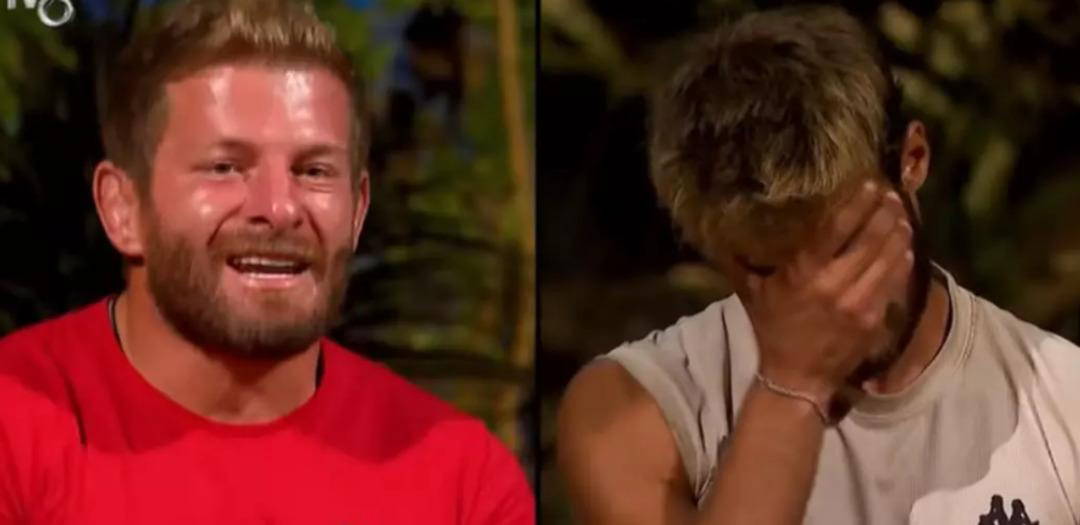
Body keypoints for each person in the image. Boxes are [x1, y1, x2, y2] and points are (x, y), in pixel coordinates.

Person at [0, 0, 534, 523]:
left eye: (314, 171)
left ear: (357, 210)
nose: (279, 210)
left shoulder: (461, 482)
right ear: (124, 209)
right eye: (225, 167)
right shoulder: (16, 424)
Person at [558, 6, 1078, 525]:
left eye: (844, 252)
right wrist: (793, 384)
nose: (818, 299)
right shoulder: (635, 412)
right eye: (767, 270)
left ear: (912, 160)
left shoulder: (1064, 399)